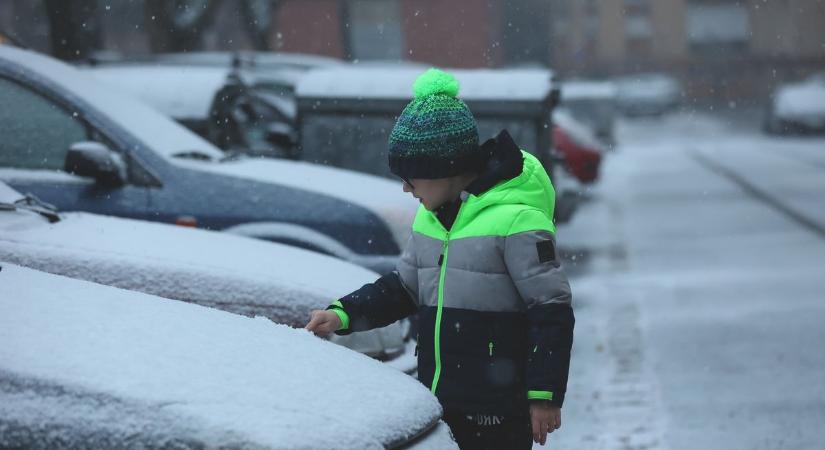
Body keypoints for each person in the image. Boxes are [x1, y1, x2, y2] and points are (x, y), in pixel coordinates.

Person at [305, 68, 574, 449]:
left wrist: (544, 396)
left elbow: (552, 311)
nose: (405, 188)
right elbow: (404, 287)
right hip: (439, 400)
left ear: (444, 169)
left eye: (411, 178)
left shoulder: (516, 221)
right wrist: (344, 314)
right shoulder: (430, 219)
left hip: (498, 408)